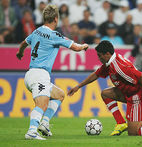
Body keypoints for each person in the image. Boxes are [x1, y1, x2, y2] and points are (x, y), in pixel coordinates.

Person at [68, 40, 142, 136]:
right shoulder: (109, 63)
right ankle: (121, 123)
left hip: (137, 96)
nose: (99, 58)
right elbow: (96, 74)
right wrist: (78, 86)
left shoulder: (119, 67)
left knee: (134, 133)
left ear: (107, 54)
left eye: (100, 55)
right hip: (127, 93)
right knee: (105, 94)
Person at [16, 4, 89, 140]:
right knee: (42, 104)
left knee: (60, 95)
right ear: (56, 19)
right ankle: (31, 131)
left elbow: (23, 44)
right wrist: (84, 46)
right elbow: (76, 48)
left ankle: (44, 124)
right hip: (40, 74)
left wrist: (20, 53)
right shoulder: (54, 35)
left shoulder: (36, 31)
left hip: (31, 73)